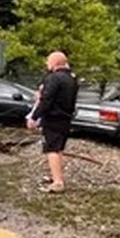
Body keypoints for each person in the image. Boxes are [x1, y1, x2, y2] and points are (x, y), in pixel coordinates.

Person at [26, 51, 79, 193]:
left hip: (53, 118)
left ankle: (58, 183)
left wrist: (34, 117)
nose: (46, 63)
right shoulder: (72, 78)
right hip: (66, 118)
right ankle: (56, 176)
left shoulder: (54, 78)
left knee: (51, 149)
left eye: (48, 60)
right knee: (59, 148)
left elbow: (47, 100)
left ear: (55, 63)